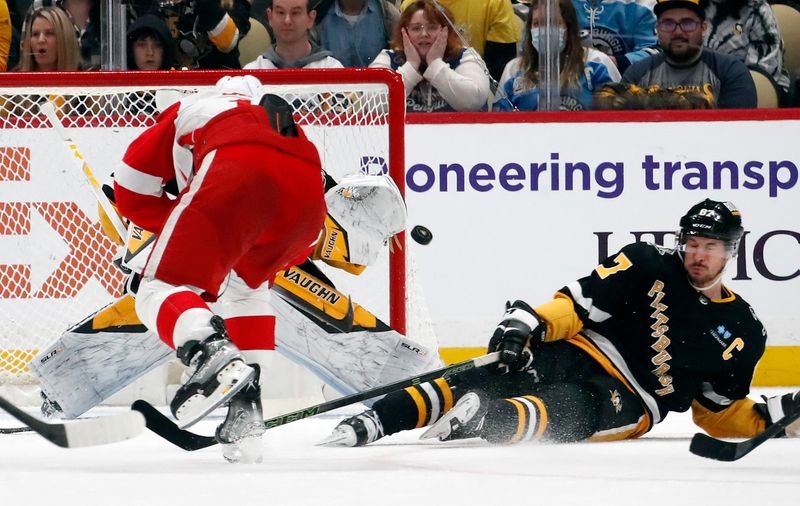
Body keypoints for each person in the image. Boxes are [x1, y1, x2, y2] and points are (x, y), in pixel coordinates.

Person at [322, 199, 800, 448]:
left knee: (569, 409)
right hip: (577, 350)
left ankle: (482, 418)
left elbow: (715, 412)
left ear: (731, 251)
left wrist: (777, 419)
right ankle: (371, 421)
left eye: (712, 246)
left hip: (632, 400)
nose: (699, 254)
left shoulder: (743, 329)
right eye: (693, 242)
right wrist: (526, 325)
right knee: (482, 370)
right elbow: (576, 305)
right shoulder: (647, 262)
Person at [112, 75, 327, 463]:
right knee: (248, 290)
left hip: (237, 167)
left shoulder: (187, 108)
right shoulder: (271, 115)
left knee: (155, 288)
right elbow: (274, 189)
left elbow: (130, 189)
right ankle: (246, 414)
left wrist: (175, 234)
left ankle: (209, 351)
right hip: (307, 207)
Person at [622, 0, 757, 108]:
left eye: (687, 23)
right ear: (657, 29)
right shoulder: (637, 74)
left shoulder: (731, 71)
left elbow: (737, 131)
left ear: (703, 28)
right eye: (668, 24)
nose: (678, 32)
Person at [493, 0, 620, 111]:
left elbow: (619, 116)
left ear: (568, 28)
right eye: (537, 24)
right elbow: (499, 122)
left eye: (553, 22)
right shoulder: (514, 70)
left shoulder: (597, 63)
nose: (545, 30)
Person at [370, 0, 490, 112]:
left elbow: (474, 101)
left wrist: (435, 64)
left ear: (446, 31)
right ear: (404, 33)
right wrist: (411, 66)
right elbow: (372, 105)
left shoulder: (465, 56)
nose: (424, 34)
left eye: (432, 27)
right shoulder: (388, 58)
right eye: (416, 28)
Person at [399, 0, 520, 82]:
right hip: (419, 86)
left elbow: (498, 68)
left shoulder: (495, 2)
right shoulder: (411, 4)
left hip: (476, 83)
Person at [704, 0, 790, 95]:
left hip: (754, 88)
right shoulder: (694, 7)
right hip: (705, 86)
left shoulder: (757, 9)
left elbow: (763, 73)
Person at [244, 0, 343, 69]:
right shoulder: (253, 74)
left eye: (295, 13)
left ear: (310, 19)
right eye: (281, 12)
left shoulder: (332, 70)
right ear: (270, 17)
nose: (287, 20)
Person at [572, 0, 660, 74]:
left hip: (625, 86)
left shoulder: (642, 4)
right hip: (571, 79)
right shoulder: (563, 3)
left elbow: (654, 52)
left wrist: (614, 62)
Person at [312, 0, 399, 68]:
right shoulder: (317, 16)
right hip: (330, 88)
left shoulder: (386, 13)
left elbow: (400, 57)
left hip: (378, 88)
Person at [15, 5, 80, 71]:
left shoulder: (85, 76)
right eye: (35, 34)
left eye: (49, 33)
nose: (41, 40)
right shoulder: (14, 78)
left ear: (65, 38)